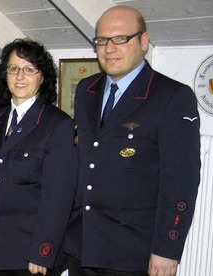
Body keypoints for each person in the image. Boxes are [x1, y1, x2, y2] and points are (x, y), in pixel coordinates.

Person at [63, 5, 200, 276]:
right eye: (102, 40)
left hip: (132, 251)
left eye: (120, 39)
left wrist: (167, 249)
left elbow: (181, 181)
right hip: (82, 245)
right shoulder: (86, 89)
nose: (109, 48)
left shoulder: (172, 97)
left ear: (144, 41)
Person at [0, 38, 77, 276]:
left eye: (29, 69)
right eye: (13, 69)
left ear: (42, 77)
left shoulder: (58, 125)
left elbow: (58, 197)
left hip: (29, 253)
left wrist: (43, 251)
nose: (20, 76)